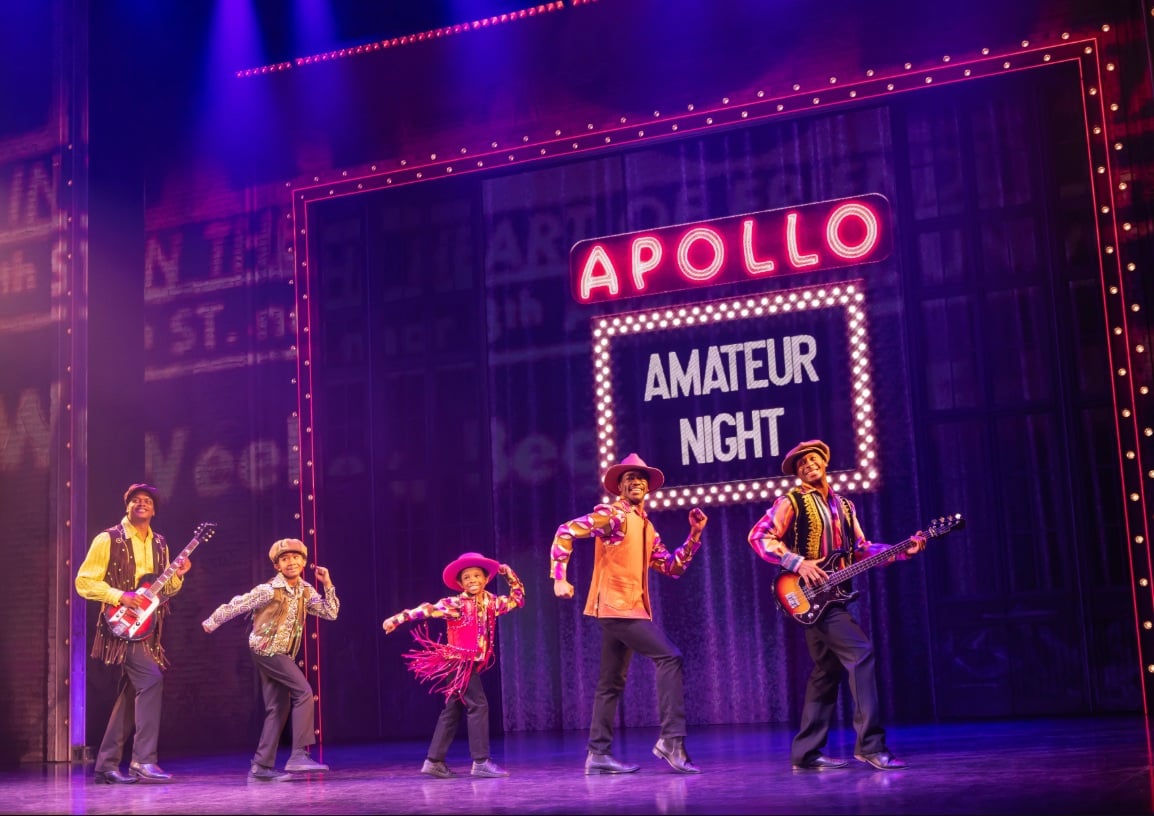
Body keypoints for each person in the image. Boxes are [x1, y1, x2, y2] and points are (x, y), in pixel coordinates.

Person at [746, 439, 925, 772]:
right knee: (861, 653)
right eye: (801, 463)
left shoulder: (845, 506)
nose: (808, 464)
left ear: (824, 463)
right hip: (809, 594)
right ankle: (870, 746)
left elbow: (861, 550)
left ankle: (805, 753)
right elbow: (759, 536)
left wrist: (902, 550)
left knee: (826, 671)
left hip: (832, 594)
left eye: (812, 459)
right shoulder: (791, 502)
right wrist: (798, 563)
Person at [550, 452, 707, 775]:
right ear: (619, 488)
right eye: (629, 479)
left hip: (628, 607)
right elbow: (565, 531)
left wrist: (693, 536)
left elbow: (671, 567)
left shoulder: (646, 526)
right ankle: (671, 740)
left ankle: (597, 753)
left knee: (610, 682)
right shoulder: (613, 515)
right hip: (615, 606)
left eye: (641, 479)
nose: (636, 483)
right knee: (670, 657)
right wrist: (560, 577)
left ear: (647, 488)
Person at [74, 483, 192, 784]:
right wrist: (119, 596)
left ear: (154, 509)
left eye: (148, 501)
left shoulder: (161, 543)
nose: (142, 504)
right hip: (119, 625)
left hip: (147, 627)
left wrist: (177, 576)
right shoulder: (108, 539)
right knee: (151, 680)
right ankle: (143, 761)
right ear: (127, 506)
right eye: (136, 500)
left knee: (132, 693)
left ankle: (106, 765)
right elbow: (84, 582)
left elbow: (163, 591)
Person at [202, 538, 338, 782]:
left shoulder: (306, 590)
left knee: (278, 707)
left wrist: (327, 584)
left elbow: (331, 612)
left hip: (282, 653)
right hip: (266, 649)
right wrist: (212, 622)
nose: (291, 562)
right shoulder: (269, 590)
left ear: (304, 561)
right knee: (304, 692)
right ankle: (298, 754)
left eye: (296, 557)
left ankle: (261, 767)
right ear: (277, 565)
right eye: (284, 559)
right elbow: (238, 604)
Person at [382, 552, 525, 779]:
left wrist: (509, 575)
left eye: (477, 576)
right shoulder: (455, 603)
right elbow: (426, 609)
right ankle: (481, 761)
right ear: (460, 583)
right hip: (458, 663)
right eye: (467, 577)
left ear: (486, 578)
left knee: (453, 709)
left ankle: (434, 761)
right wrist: (398, 618)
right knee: (478, 705)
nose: (472, 580)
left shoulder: (492, 603)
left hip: (470, 664)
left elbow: (518, 599)